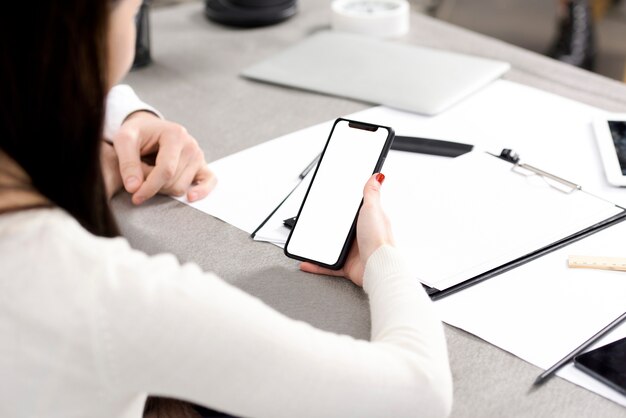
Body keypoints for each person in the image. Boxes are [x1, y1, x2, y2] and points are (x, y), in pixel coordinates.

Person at [0, 1, 453, 418]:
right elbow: (417, 393)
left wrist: (127, 126)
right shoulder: (108, 296)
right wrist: (382, 256)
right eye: (131, 10)